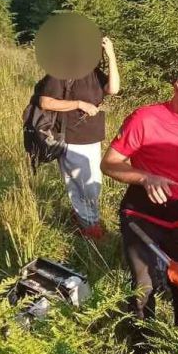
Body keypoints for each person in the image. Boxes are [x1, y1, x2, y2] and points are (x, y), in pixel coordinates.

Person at [100, 64, 178, 344]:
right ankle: (143, 350)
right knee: (144, 286)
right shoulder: (145, 119)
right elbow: (108, 163)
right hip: (142, 215)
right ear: (176, 89)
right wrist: (145, 178)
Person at [38, 35, 121, 239]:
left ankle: (86, 220)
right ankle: (90, 228)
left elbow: (114, 89)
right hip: (72, 138)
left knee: (92, 184)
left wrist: (111, 57)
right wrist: (79, 104)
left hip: (91, 138)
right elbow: (45, 101)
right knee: (82, 185)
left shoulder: (94, 73)